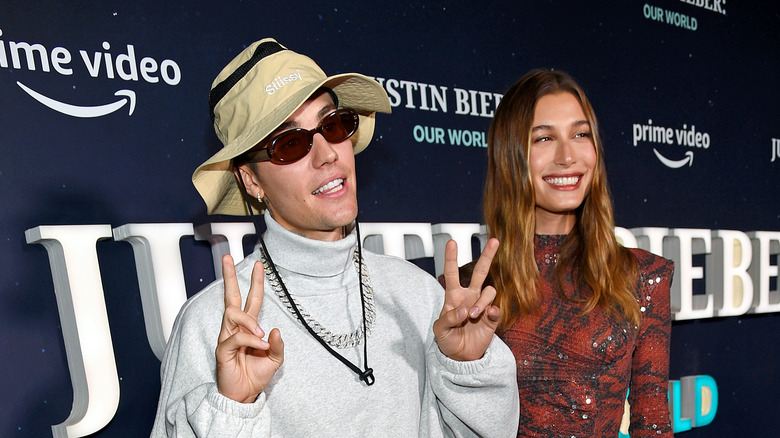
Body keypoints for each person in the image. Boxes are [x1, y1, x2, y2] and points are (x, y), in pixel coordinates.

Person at [150, 38, 519, 438]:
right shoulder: (210, 325)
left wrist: (467, 369)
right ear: (251, 179)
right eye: (289, 144)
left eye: (333, 125)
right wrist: (232, 413)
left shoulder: (418, 293)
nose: (327, 154)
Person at [482, 69, 674, 437]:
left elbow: (652, 422)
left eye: (580, 134)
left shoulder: (643, 276)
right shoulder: (469, 290)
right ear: (509, 155)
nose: (567, 156)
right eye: (543, 138)